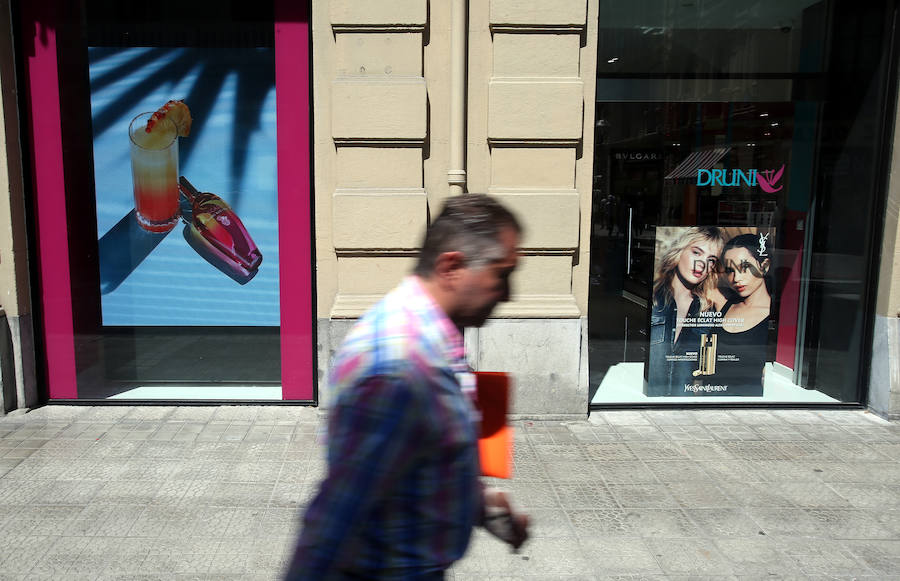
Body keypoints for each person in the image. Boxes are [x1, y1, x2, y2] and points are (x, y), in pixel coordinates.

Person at [285, 194, 529, 580]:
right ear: (452, 266)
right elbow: (336, 514)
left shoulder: (436, 338)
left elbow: (419, 454)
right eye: (500, 273)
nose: (509, 293)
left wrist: (480, 506)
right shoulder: (400, 368)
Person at [646, 226, 725, 396]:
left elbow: (703, 370)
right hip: (646, 399)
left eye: (711, 260)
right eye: (696, 252)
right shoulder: (653, 298)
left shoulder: (706, 311)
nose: (702, 264)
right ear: (679, 251)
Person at [713, 233, 772, 395]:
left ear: (764, 266)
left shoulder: (772, 316)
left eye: (744, 267)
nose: (736, 278)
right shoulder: (723, 304)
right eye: (731, 270)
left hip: (749, 404)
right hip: (709, 398)